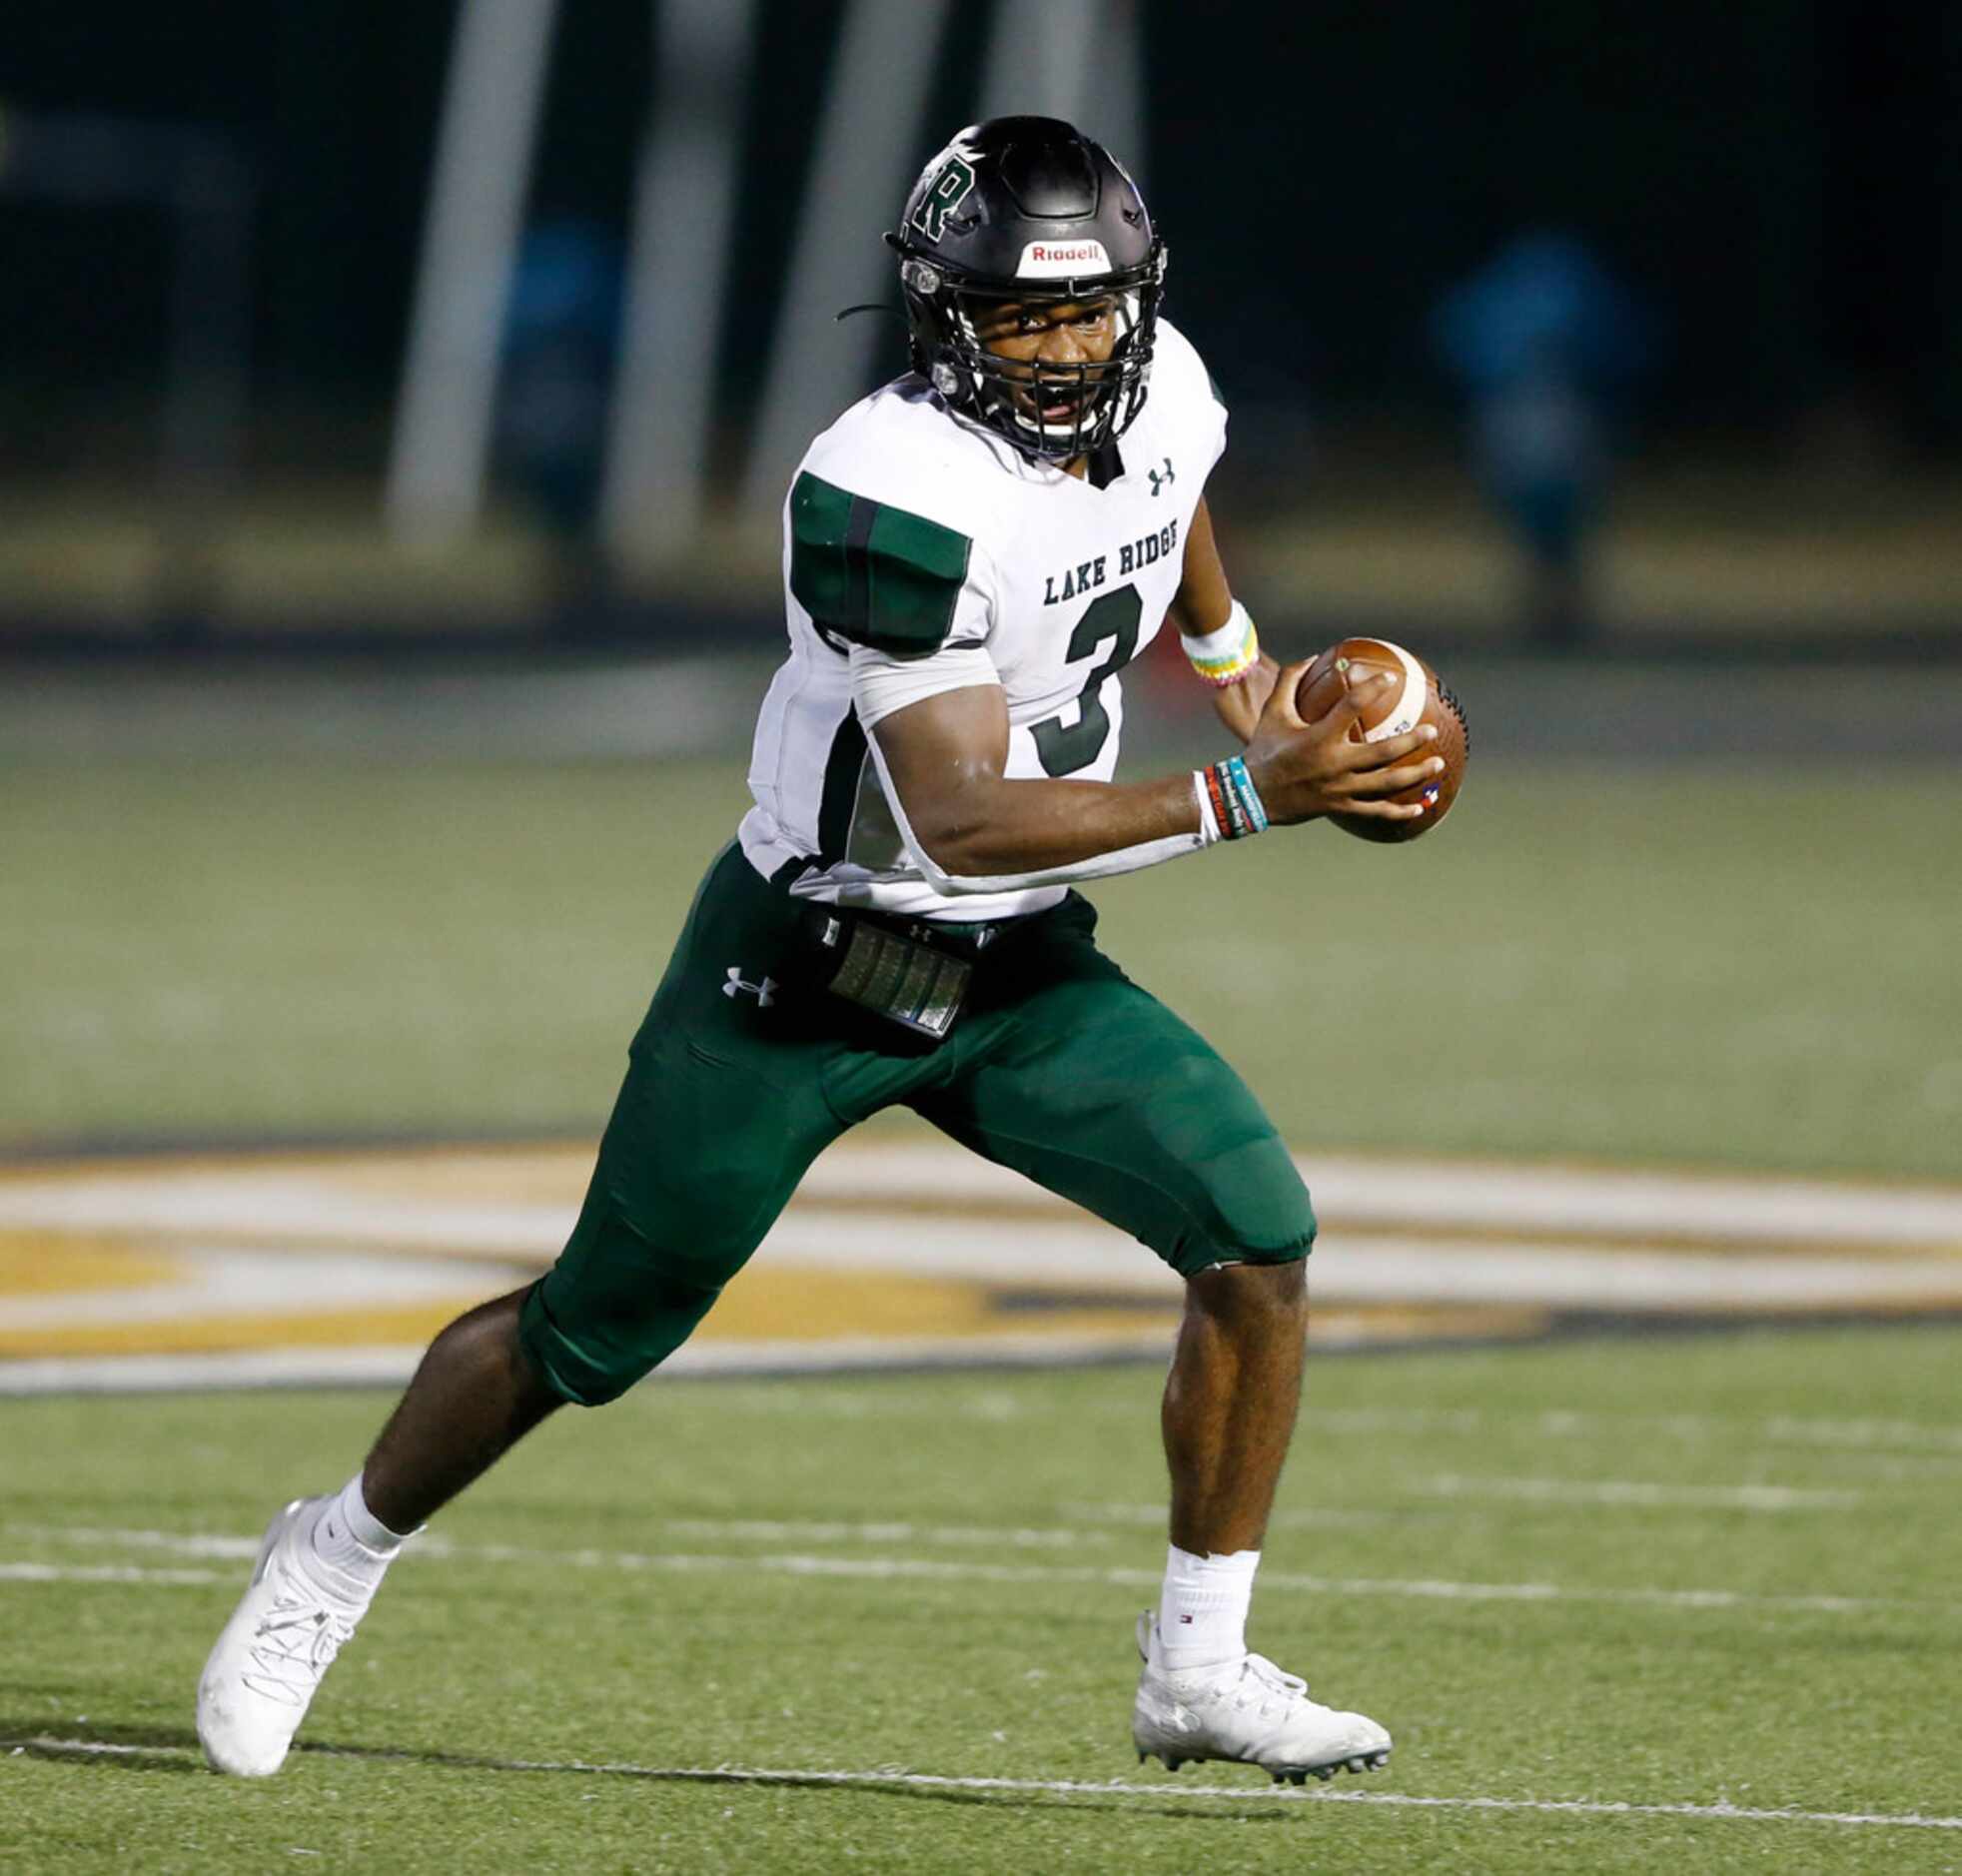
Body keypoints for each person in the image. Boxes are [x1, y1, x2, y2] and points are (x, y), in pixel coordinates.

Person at [197, 116, 1440, 1787]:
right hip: (811, 969)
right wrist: (1249, 784)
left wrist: (1235, 662)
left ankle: (1197, 1669)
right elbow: (959, 819)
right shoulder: (884, 492)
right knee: (595, 1328)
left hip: (1015, 972)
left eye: (1091, 313)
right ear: (944, 313)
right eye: (1023, 315)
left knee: (1257, 1235)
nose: (1068, 350)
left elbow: (1175, 511)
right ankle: (332, 1551)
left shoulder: (1168, 387)